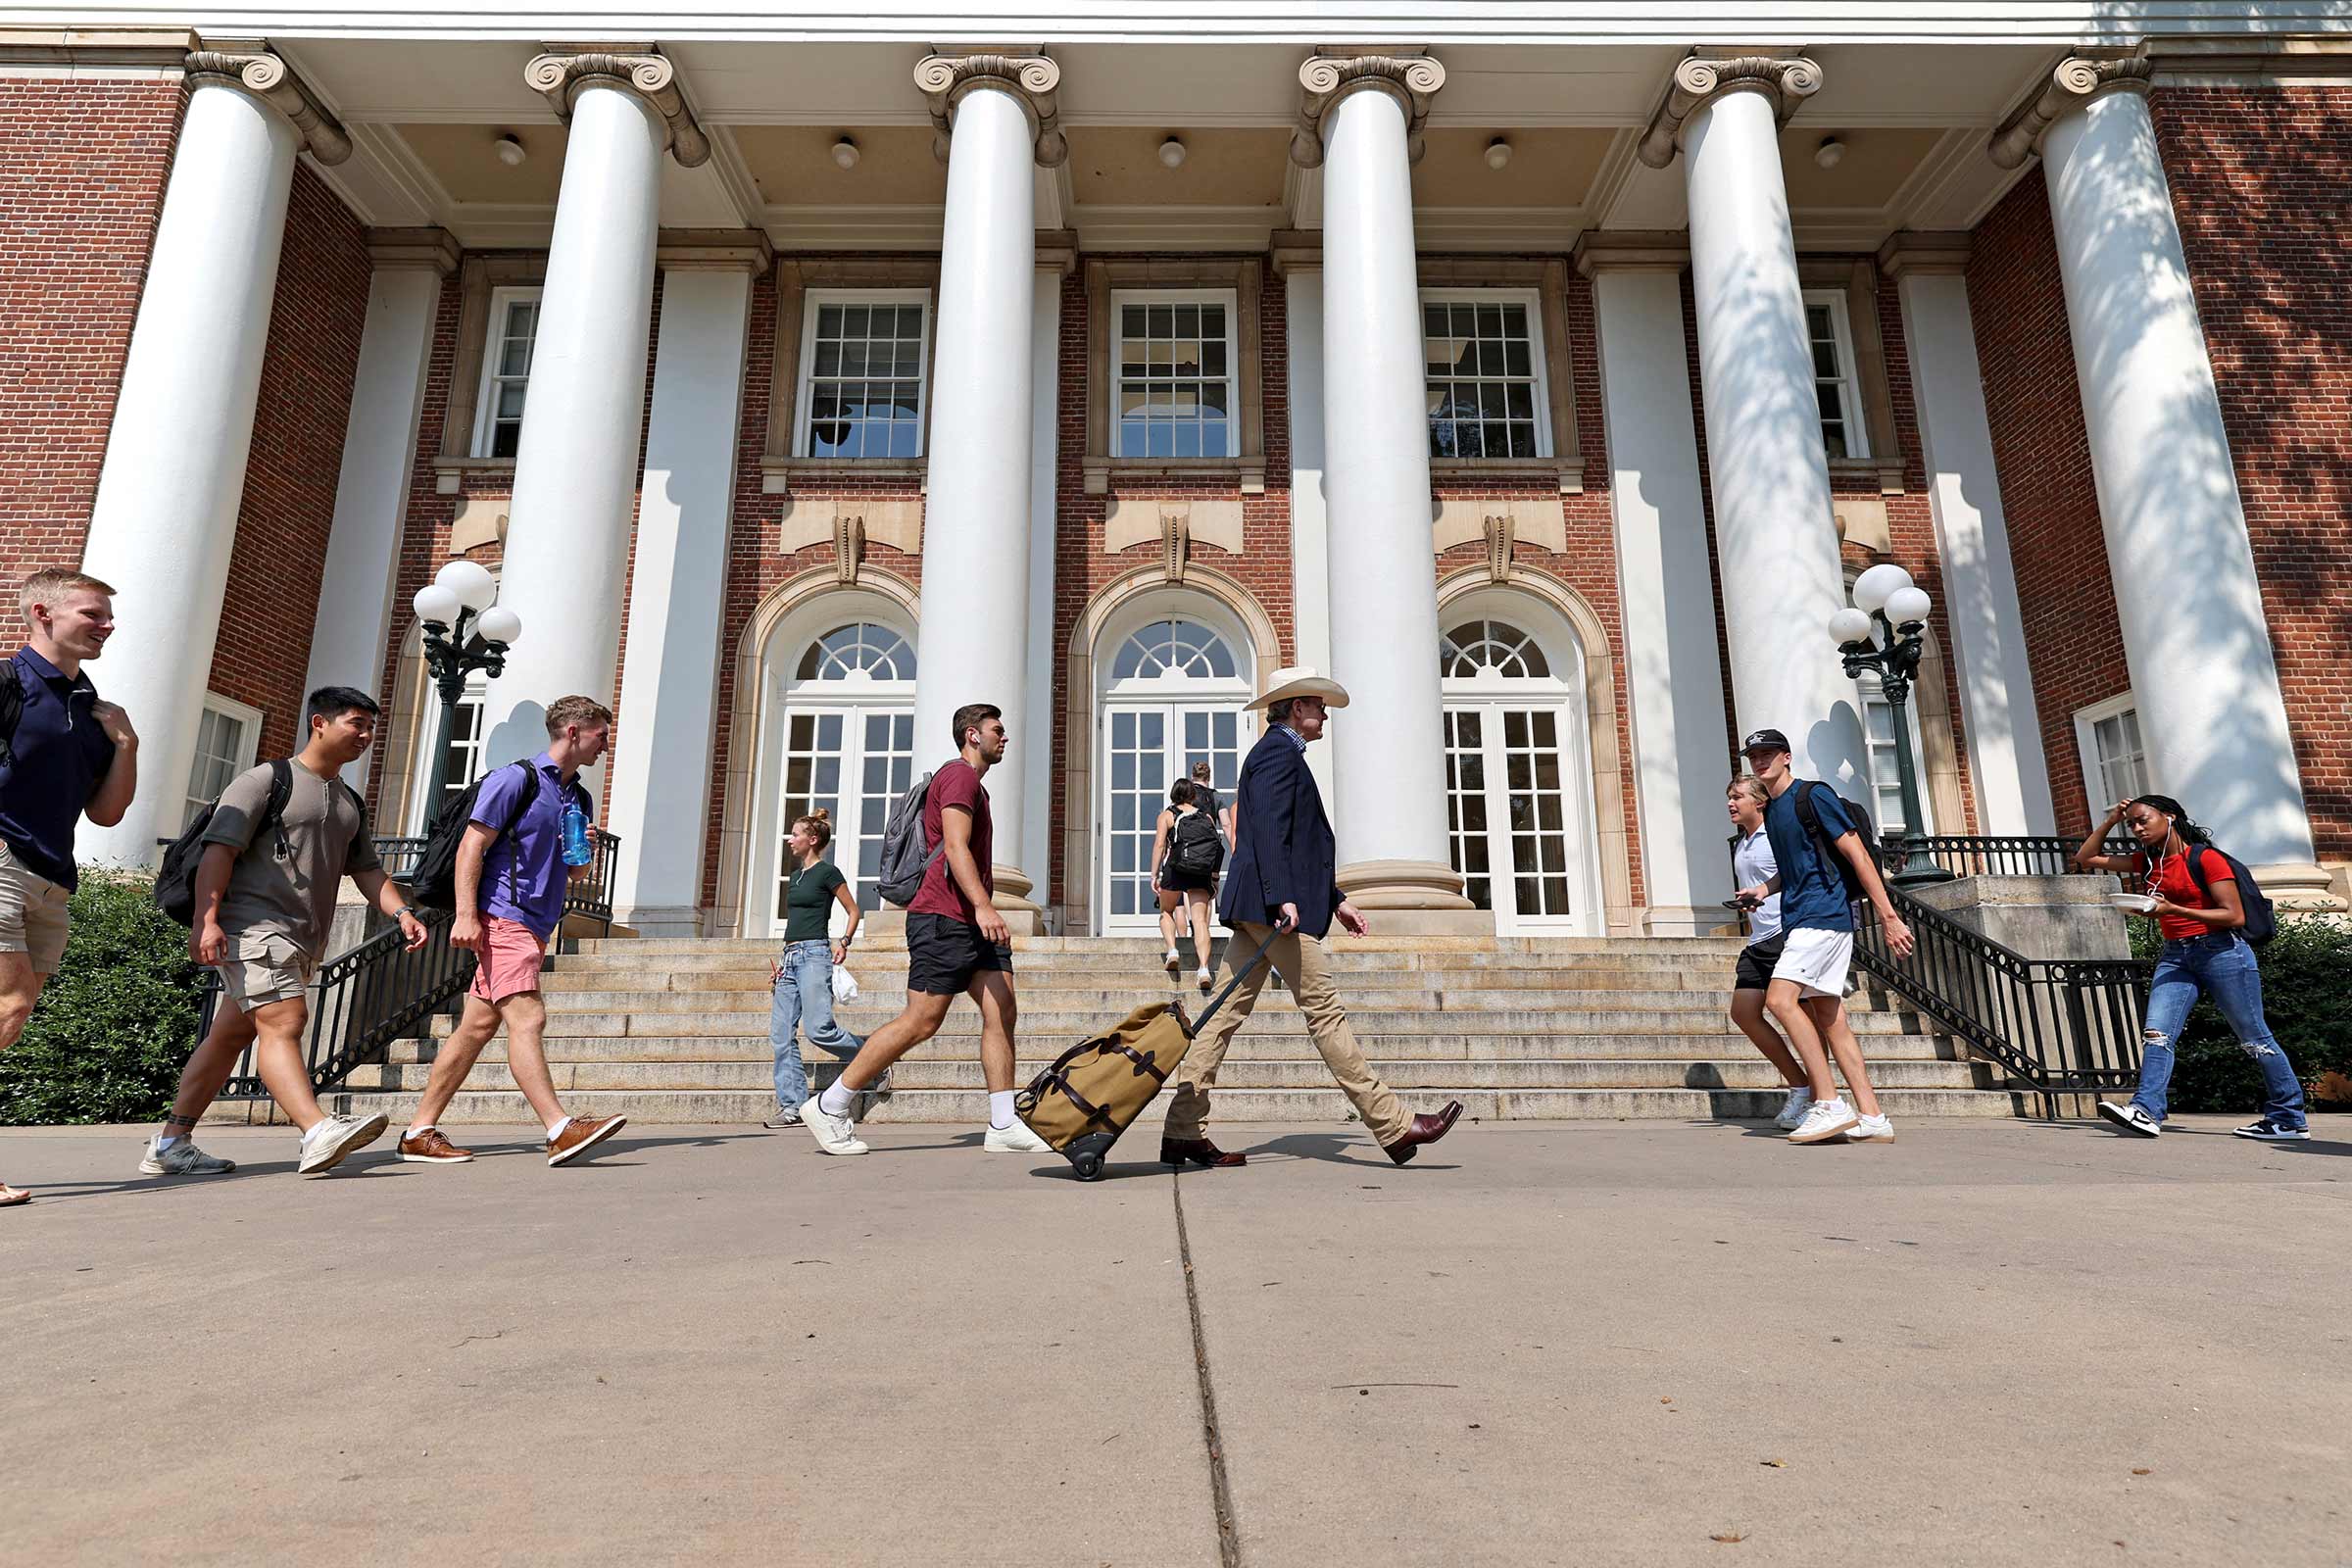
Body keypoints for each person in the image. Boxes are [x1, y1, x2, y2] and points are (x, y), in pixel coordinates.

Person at [1161, 666, 1462, 1168]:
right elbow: (1273, 833)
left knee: (1222, 1017)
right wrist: (1283, 897)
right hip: (1272, 909)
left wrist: (1335, 897)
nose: (1324, 714)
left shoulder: (1273, 753)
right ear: (1297, 708)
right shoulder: (1278, 754)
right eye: (1318, 706)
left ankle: (1182, 1131)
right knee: (1325, 1013)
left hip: (1260, 906)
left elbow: (1291, 841)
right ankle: (1394, 1123)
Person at [144, 687, 429, 1177]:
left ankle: (171, 1143)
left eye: (370, 728)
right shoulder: (264, 781)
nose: (365, 736)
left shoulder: (348, 802)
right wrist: (206, 921)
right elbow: (218, 852)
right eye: (356, 724)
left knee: (228, 1036)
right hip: (254, 926)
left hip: (302, 936)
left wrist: (401, 911)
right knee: (284, 1021)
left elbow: (366, 872)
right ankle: (316, 1130)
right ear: (319, 722)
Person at [799, 703, 1050, 1157]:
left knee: (1001, 1009)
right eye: (997, 730)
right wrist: (985, 907)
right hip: (944, 917)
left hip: (969, 923)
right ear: (973, 735)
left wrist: (982, 913)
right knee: (922, 1021)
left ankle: (1003, 1121)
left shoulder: (973, 784)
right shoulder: (959, 777)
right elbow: (954, 846)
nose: (1004, 737)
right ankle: (831, 1103)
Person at [397, 695, 629, 1168]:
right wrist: (466, 914)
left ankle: (419, 1131)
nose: (606, 744)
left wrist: (581, 851)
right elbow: (471, 848)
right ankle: (560, 1128)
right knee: (528, 1018)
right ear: (573, 732)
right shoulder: (514, 780)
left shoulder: (576, 795)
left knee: (476, 1027)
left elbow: (575, 873)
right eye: (601, 734)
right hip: (506, 916)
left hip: (538, 921)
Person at [0, 568, 138, 1207]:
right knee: (11, 1001)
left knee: (12, 1015)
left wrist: (127, 744)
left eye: (108, 616)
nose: (106, 625)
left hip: (53, 879)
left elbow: (106, 814)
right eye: (93, 614)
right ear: (42, 614)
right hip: (3, 862)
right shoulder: (8, 685)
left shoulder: (94, 711)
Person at [2075, 795, 2308, 1141]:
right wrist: (2111, 820)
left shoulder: (2205, 858)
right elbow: (2086, 857)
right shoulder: (2149, 862)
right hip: (2176, 955)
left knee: (2254, 1038)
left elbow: (2233, 915)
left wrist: (2173, 910)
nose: (2137, 829)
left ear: (2169, 817)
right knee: (2157, 1033)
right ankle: (2146, 1111)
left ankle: (2288, 1118)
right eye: (2132, 824)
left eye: (2143, 820)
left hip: (2222, 952)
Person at [1733, 728, 1915, 1146]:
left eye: (1767, 755)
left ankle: (1829, 1102)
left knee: (1779, 1000)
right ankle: (1873, 1116)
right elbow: (1796, 866)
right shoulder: (1774, 810)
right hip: (1802, 916)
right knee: (1832, 1019)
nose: (1760, 762)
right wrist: (1764, 889)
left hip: (1825, 915)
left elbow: (1856, 853)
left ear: (1786, 757)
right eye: (1754, 757)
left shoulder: (1813, 796)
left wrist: (1888, 916)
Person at [762, 808, 872, 1130]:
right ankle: (792, 1106)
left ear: (812, 840)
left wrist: (845, 942)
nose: (789, 840)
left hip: (814, 955)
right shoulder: (795, 878)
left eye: (794, 835)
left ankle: (872, 1059)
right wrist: (782, 963)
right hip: (790, 958)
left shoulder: (828, 873)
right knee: (780, 1035)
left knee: (818, 1029)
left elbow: (853, 911)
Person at [1725, 775, 1813, 1130]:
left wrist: (1767, 893)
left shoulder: (1774, 836)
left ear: (1759, 802)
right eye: (1729, 797)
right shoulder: (1742, 842)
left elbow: (1795, 876)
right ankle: (1800, 1084)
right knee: (1744, 1012)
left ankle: (1821, 1096)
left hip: (1785, 935)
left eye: (1737, 797)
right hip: (1758, 938)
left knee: (1803, 1017)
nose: (1731, 803)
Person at [1152, 777, 1218, 990]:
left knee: (1167, 911)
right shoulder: (1205, 816)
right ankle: (1204, 969)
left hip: (1176, 867)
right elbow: (1215, 846)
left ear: (1173, 794)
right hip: (1200, 870)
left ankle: (1172, 950)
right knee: (1199, 921)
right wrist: (1214, 878)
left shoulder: (1167, 816)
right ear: (1193, 795)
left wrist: (1154, 875)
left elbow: (1160, 845)